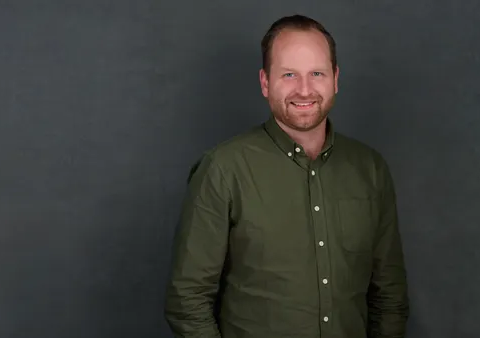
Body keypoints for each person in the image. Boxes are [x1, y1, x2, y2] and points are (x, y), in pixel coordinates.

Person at [164, 14, 409, 338]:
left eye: (317, 73)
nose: (304, 89)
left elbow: (389, 295)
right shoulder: (223, 170)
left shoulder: (370, 169)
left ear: (335, 78)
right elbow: (187, 299)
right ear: (266, 82)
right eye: (289, 74)